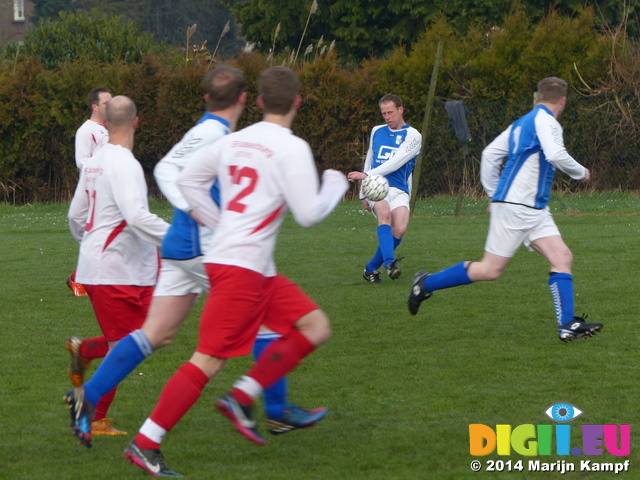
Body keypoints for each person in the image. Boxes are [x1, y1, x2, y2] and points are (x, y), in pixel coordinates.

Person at [64, 65, 327, 450]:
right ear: (244, 100)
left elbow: (172, 170)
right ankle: (274, 406)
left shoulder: (213, 131)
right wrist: (203, 218)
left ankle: (87, 394)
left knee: (156, 333)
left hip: (181, 251)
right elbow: (170, 171)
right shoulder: (216, 133)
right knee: (263, 318)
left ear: (208, 98)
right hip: (203, 249)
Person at [122, 66, 348, 477]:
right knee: (207, 360)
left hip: (251, 267)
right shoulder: (291, 147)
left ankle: (244, 394)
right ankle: (145, 442)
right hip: (241, 269)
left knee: (315, 326)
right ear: (297, 102)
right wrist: (335, 183)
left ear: (259, 102)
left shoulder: (236, 140)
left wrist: (216, 220)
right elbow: (309, 213)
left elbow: (189, 181)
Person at [407, 77, 603, 342]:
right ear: (563, 100)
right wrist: (582, 173)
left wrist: (493, 193)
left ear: (538, 96)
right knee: (490, 270)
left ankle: (567, 324)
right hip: (518, 206)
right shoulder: (547, 121)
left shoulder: (522, 122)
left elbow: (489, 154)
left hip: (532, 208)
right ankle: (424, 285)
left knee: (562, 257)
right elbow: (556, 155)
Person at [65, 95, 169, 444]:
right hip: (114, 272)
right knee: (126, 348)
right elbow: (137, 217)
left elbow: (76, 217)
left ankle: (85, 354)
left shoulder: (95, 161)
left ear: (105, 123)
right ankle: (93, 414)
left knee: (145, 340)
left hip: (117, 268)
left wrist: (89, 247)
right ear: (136, 122)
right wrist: (181, 239)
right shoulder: (124, 163)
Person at [347, 94, 421, 283]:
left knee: (400, 229)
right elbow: (370, 159)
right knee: (385, 215)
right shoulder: (377, 131)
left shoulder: (413, 136)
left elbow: (396, 162)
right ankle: (390, 264)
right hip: (376, 187)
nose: (387, 117)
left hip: (399, 189)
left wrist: (366, 175)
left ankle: (371, 268)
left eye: (390, 112)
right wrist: (363, 191)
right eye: (383, 113)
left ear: (400, 110)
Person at [67, 87, 112, 297]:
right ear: (95, 107)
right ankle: (79, 279)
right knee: (99, 236)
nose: (110, 106)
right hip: (94, 190)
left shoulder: (108, 128)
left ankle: (82, 278)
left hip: (109, 189)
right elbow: (81, 161)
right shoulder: (86, 130)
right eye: (106, 103)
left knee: (105, 237)